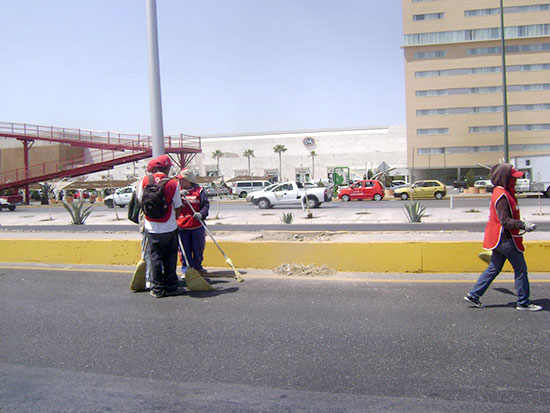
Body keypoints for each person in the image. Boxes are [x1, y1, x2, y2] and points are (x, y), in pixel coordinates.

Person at [464, 163, 542, 311]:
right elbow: (505, 221)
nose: (516, 181)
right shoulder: (502, 196)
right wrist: (524, 225)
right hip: (506, 239)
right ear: (504, 178)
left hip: (500, 239)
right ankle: (523, 302)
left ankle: (474, 294)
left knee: (494, 268)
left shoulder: (501, 192)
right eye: (513, 178)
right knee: (520, 269)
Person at [136, 154, 183, 298]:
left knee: (154, 257)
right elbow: (178, 206)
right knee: (170, 257)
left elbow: (139, 200)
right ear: (167, 168)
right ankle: (170, 286)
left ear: (154, 167)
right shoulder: (174, 183)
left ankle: (157, 288)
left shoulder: (144, 181)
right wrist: (173, 219)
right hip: (169, 227)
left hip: (151, 228)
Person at [176, 169, 210, 275]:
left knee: (198, 248)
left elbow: (205, 205)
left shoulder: (199, 191)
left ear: (188, 180)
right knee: (184, 250)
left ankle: (198, 267)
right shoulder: (177, 191)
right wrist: (178, 195)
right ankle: (186, 270)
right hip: (182, 227)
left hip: (197, 226)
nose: (179, 182)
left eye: (181, 179)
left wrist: (201, 214)